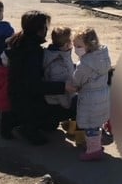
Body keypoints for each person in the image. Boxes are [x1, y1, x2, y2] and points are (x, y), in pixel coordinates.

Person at [5, 11, 75, 145]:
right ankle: (27, 126)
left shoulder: (22, 42)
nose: (46, 30)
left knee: (51, 125)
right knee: (71, 105)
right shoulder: (31, 52)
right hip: (25, 101)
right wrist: (63, 86)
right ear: (39, 30)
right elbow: (33, 86)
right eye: (44, 27)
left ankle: (28, 122)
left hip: (18, 97)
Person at [66, 27, 111, 161]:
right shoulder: (102, 56)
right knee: (96, 123)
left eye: (79, 46)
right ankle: (96, 145)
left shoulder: (85, 64)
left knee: (90, 126)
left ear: (89, 44)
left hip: (90, 98)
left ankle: (93, 151)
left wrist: (72, 85)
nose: (76, 49)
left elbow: (77, 80)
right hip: (103, 94)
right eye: (74, 46)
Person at [43, 26, 76, 109]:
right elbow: (58, 88)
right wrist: (68, 105)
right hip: (58, 103)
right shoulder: (58, 61)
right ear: (66, 45)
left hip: (61, 99)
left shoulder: (62, 55)